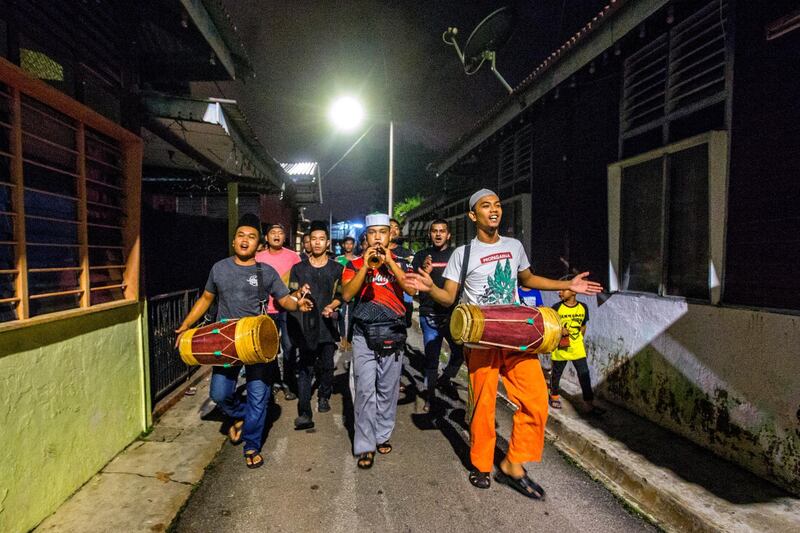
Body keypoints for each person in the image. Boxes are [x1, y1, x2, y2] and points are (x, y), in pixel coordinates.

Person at [408, 189, 602, 498]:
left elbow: (528, 279)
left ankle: (513, 464)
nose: (494, 210)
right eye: (486, 206)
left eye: (497, 205)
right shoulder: (463, 254)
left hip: (515, 336)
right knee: (483, 407)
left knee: (537, 400)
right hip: (480, 339)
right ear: (473, 216)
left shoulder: (514, 247)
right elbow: (448, 297)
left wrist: (568, 283)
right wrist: (430, 288)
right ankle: (482, 465)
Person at [175, 214, 312, 469]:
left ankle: (251, 444)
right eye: (241, 235)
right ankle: (241, 416)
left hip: (257, 344)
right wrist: (186, 325)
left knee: (259, 395)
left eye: (251, 236)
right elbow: (206, 299)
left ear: (258, 243)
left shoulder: (266, 272)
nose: (245, 240)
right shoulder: (219, 268)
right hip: (226, 344)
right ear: (234, 240)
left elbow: (283, 299)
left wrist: (298, 303)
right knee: (219, 393)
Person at [341, 213, 416, 470]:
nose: (377, 238)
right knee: (364, 390)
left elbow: (411, 290)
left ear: (390, 235)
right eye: (372, 233)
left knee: (387, 389)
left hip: (393, 333)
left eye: (382, 232)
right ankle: (365, 445)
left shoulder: (402, 263)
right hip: (363, 334)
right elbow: (348, 294)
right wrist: (366, 267)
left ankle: (382, 434)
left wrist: (389, 263)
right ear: (367, 236)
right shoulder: (354, 264)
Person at [287, 221, 344, 430]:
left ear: (327, 243)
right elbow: (290, 293)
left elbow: (342, 295)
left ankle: (323, 396)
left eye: (322, 239)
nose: (317, 242)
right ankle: (304, 412)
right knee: (305, 369)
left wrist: (332, 306)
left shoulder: (337, 269)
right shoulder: (298, 269)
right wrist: (298, 292)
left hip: (327, 326)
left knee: (328, 365)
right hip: (305, 327)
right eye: (314, 239)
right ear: (308, 242)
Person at [410, 219, 463, 412]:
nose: (438, 234)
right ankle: (429, 396)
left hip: (453, 314)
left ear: (448, 234)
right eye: (434, 231)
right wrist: (423, 270)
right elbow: (412, 285)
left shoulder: (457, 255)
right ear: (430, 234)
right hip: (429, 314)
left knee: (460, 353)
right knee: (432, 358)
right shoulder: (421, 255)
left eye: (442, 231)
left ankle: (445, 379)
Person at [255, 223, 301, 400]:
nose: (276, 235)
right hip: (265, 309)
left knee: (289, 347)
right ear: (266, 237)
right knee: (269, 348)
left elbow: (298, 279)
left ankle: (289, 383)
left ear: (284, 237)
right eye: (272, 233)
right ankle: (274, 381)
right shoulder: (258, 257)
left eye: (280, 233)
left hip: (287, 309)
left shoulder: (293, 256)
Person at [549, 284, 605, 416]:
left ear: (573, 292)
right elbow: (550, 325)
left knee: (584, 374)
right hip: (561, 347)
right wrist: (559, 330)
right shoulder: (557, 308)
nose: (559, 292)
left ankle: (589, 404)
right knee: (556, 374)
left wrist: (579, 340)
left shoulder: (583, 307)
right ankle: (554, 396)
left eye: (563, 290)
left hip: (577, 347)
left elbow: (583, 326)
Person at [335, 236, 358, 350]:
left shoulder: (358, 260)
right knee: (341, 316)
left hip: (354, 293)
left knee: (353, 317)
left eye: (351, 244)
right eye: (346, 244)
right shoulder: (338, 259)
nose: (349, 246)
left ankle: (349, 340)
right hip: (340, 292)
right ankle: (343, 338)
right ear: (343, 245)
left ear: (354, 245)